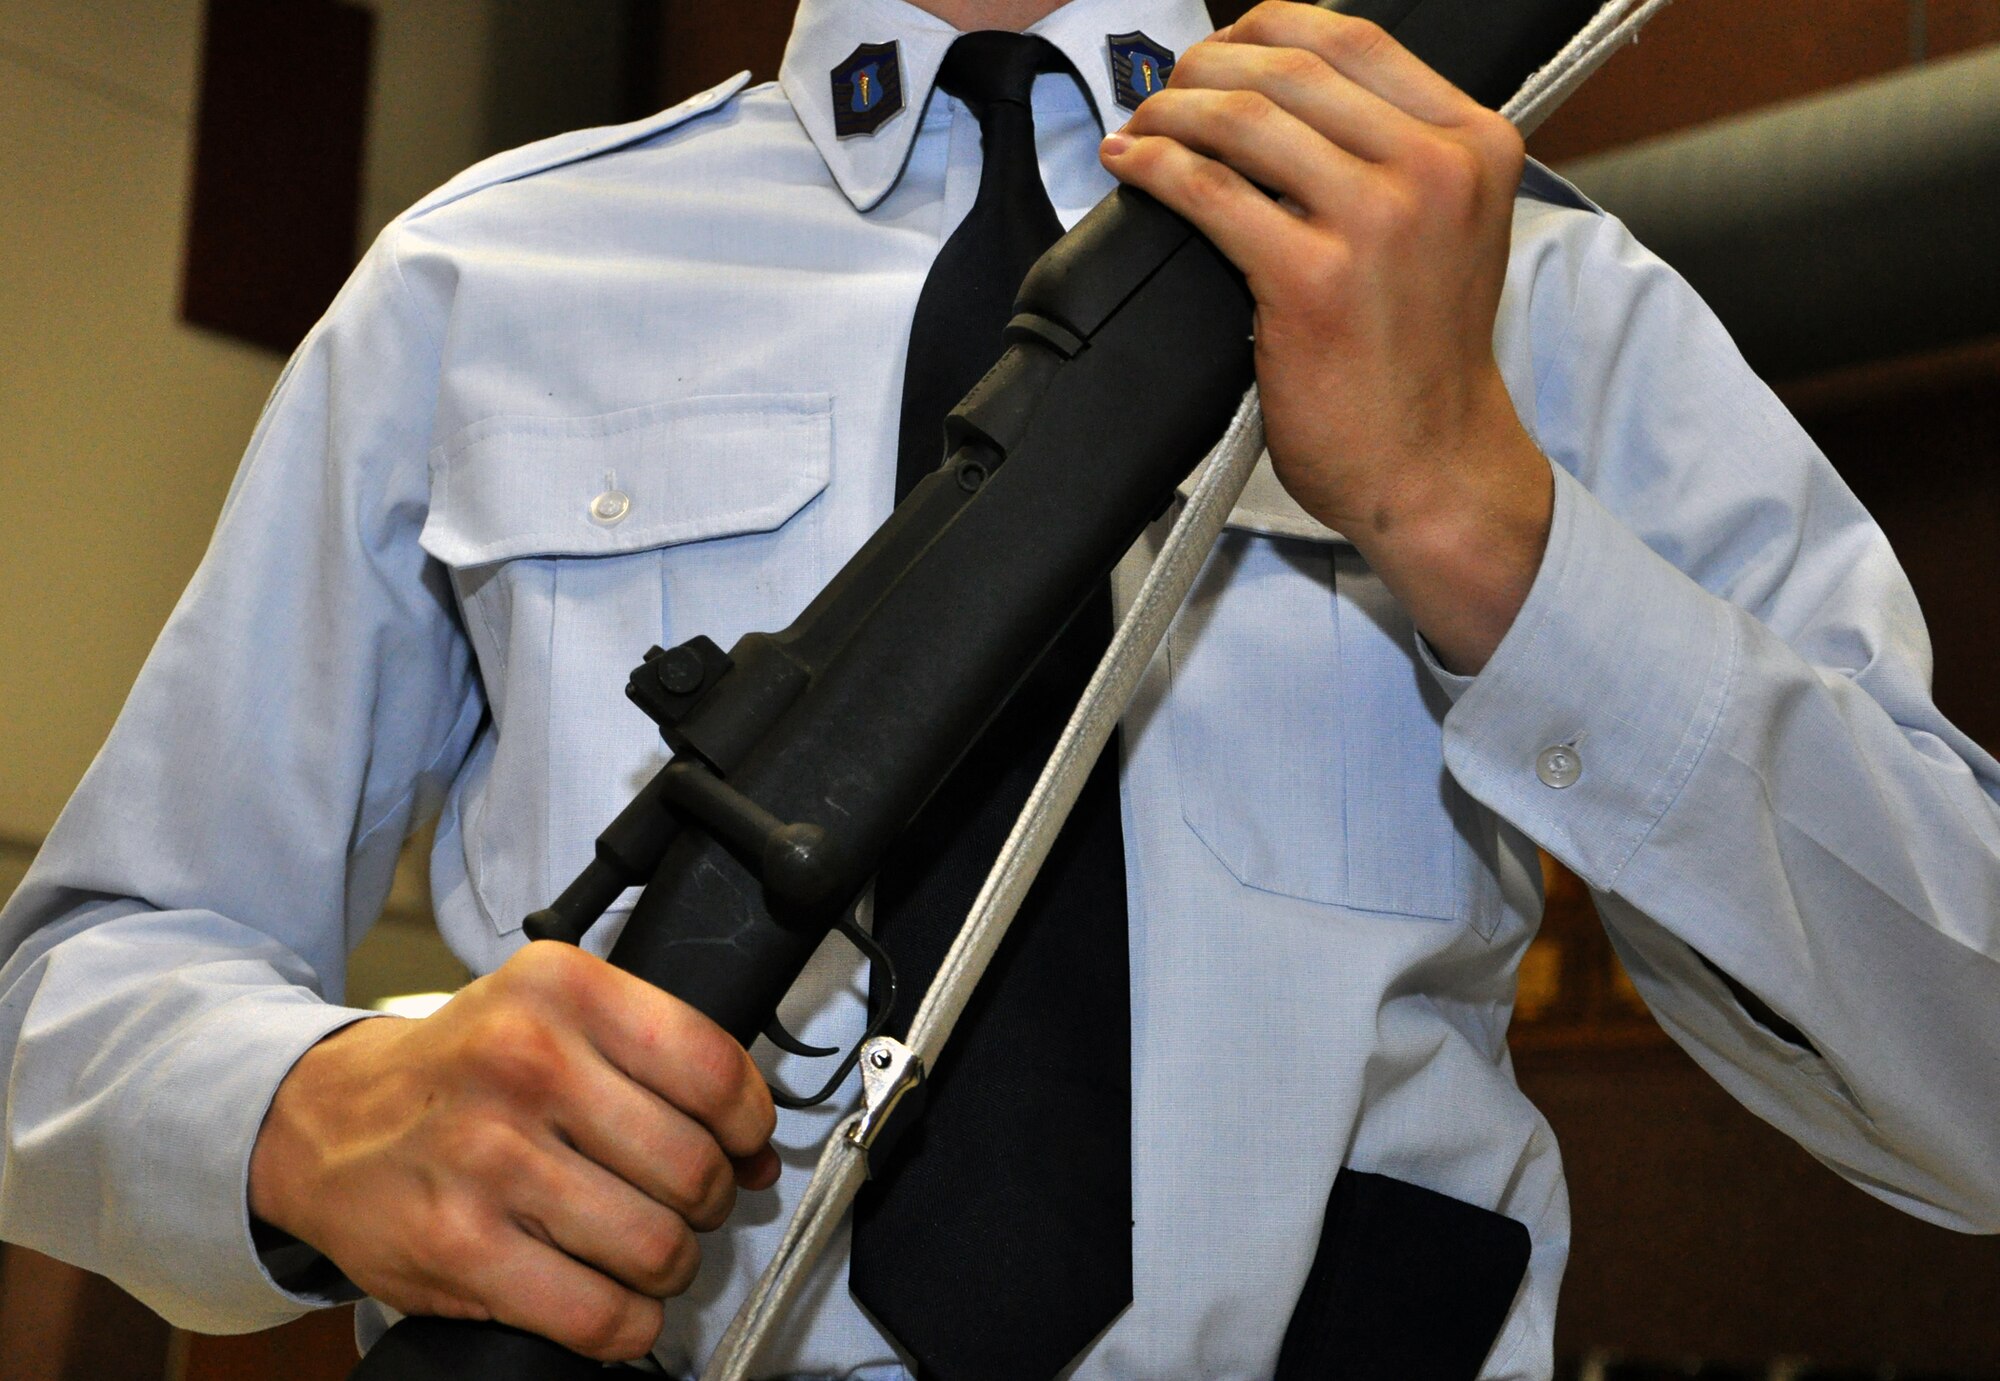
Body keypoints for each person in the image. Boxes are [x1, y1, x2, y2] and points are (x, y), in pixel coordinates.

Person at [3, 0, 1997, 1376]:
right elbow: (68, 990)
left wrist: (1472, 514)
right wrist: (308, 1109)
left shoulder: (1542, 298)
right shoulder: (477, 275)